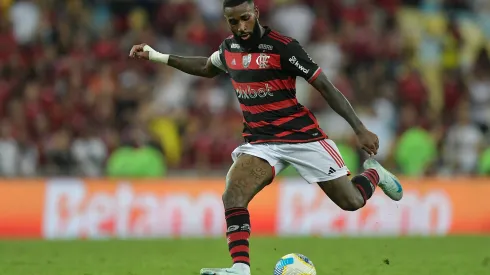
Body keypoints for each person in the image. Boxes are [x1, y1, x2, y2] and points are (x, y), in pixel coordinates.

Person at [129, 1, 403, 274]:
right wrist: (158, 56)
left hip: (302, 137)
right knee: (233, 194)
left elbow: (324, 86)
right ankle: (240, 268)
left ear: (256, 14)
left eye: (245, 18)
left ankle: (374, 174)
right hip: (261, 142)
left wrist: (359, 128)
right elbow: (205, 66)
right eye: (233, 22)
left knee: (352, 201)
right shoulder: (229, 49)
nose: (240, 27)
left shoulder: (283, 47)